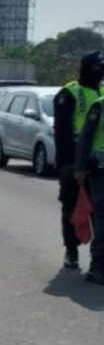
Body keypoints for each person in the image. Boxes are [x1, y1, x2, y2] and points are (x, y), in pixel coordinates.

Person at [54, 51, 104, 269]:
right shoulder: (69, 93)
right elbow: (62, 132)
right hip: (74, 156)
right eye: (98, 67)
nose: (101, 72)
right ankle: (71, 250)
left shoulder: (102, 92)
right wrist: (68, 164)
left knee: (99, 211)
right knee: (72, 206)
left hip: (97, 160)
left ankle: (97, 258)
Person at [76, 94, 104, 284]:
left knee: (102, 216)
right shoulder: (98, 105)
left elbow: (86, 136)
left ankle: (98, 266)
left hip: (99, 168)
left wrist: (80, 167)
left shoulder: (99, 105)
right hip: (100, 169)